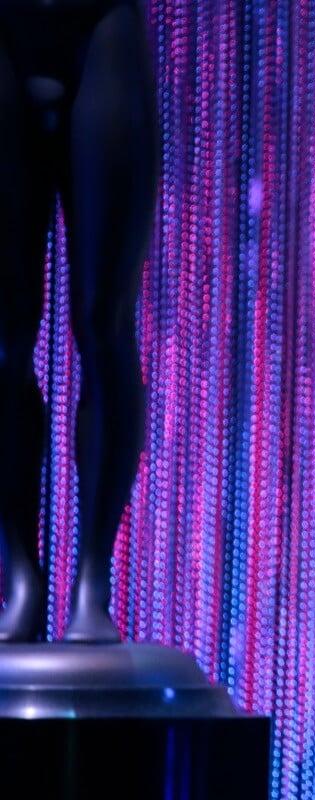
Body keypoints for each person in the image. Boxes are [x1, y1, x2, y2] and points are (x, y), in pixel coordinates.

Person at [0, 0, 158, 643]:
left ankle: (93, 582)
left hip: (103, 21)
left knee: (103, 317)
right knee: (5, 336)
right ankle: (20, 576)